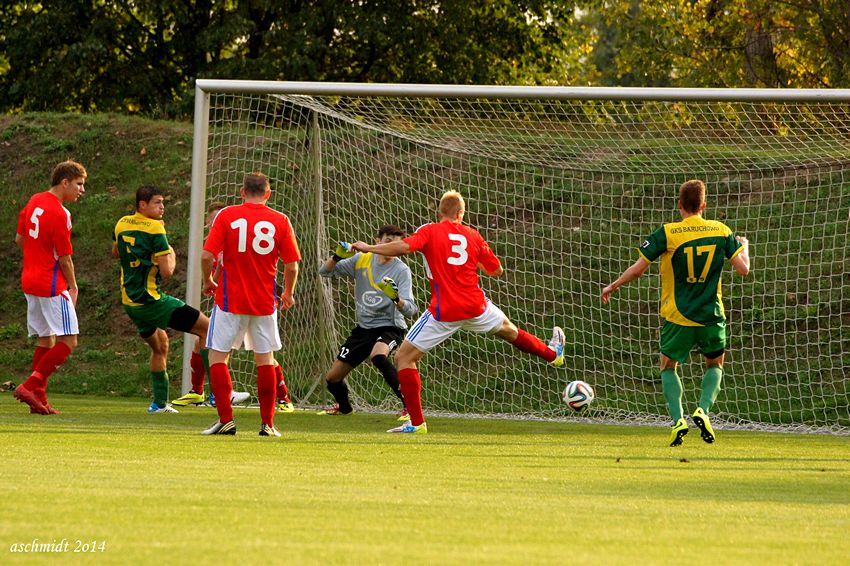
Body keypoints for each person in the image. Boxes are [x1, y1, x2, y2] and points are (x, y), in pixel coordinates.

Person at [350, 190, 565, 434]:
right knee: (511, 331)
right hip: (476, 307)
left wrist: (368, 247)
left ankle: (417, 423)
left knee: (404, 358)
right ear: (461, 214)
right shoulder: (473, 235)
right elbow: (496, 271)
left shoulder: (429, 230)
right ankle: (552, 354)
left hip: (445, 311)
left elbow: (402, 248)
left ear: (439, 212)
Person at [601, 179, 751, 447]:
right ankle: (703, 410)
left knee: (668, 366)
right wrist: (745, 246)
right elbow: (743, 270)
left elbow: (638, 269)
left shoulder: (668, 233)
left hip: (677, 317)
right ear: (704, 205)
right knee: (715, 364)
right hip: (711, 315)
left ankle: (678, 420)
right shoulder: (721, 231)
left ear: (679, 204)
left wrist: (613, 285)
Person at [200, 172, 301, 437]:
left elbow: (206, 254)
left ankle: (226, 420)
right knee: (265, 359)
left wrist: (208, 280)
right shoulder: (280, 220)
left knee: (218, 357)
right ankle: (267, 424)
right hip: (264, 301)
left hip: (229, 299)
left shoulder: (226, 215)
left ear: (242, 192)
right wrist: (288, 293)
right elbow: (292, 265)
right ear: (267, 194)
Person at [113, 185, 210, 413]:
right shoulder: (156, 229)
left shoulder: (122, 223)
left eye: (163, 202)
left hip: (130, 302)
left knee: (161, 345)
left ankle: (158, 404)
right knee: (208, 330)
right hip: (152, 301)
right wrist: (170, 252)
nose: (162, 206)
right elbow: (167, 272)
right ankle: (217, 393)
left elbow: (116, 252)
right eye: (157, 202)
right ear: (142, 205)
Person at [317, 225, 419, 419]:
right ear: (378, 241)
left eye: (397, 242)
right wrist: (336, 257)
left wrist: (396, 299)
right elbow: (325, 271)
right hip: (364, 329)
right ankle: (345, 408)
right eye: (389, 240)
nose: (393, 245)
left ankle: (409, 406)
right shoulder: (362, 259)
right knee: (332, 379)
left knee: (378, 356)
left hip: (391, 326)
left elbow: (411, 310)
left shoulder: (402, 270)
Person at [13, 160, 87, 415]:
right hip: (51, 284)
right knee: (69, 340)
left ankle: (39, 400)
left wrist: (37, 257)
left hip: (29, 281)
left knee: (46, 338)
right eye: (78, 184)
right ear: (64, 182)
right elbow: (65, 258)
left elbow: (20, 239)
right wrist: (74, 286)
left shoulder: (35, 200)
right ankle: (29, 385)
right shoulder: (60, 213)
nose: (81, 190)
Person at [170, 201, 251, 409]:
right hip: (224, 302)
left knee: (259, 349)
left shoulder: (235, 244)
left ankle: (282, 398)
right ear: (207, 221)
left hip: (242, 302)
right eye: (213, 218)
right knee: (203, 341)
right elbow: (214, 279)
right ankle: (199, 392)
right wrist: (212, 276)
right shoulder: (214, 245)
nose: (217, 222)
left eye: (220, 218)